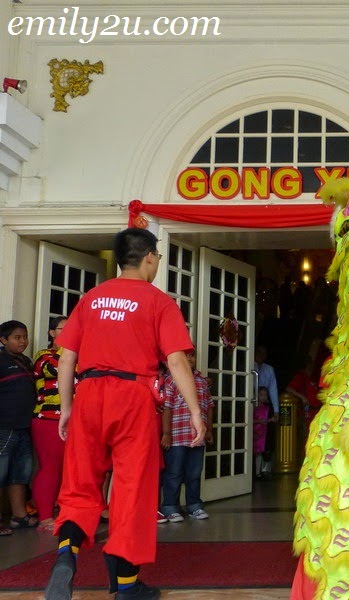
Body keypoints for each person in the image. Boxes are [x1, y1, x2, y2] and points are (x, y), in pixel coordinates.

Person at [44, 227, 205, 600]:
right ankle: (127, 588)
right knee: (132, 492)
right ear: (149, 256)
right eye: (159, 257)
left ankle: (65, 556)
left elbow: (68, 358)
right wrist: (195, 410)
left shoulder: (91, 298)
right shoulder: (158, 302)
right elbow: (176, 360)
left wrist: (68, 407)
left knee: (79, 485)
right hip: (133, 396)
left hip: (89, 392)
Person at [159, 348, 214, 523]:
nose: (189, 359)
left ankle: (194, 505)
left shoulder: (202, 381)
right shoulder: (170, 380)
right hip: (176, 436)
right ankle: (169, 506)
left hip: (197, 437)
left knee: (194, 473)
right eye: (185, 355)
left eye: (192, 355)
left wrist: (209, 430)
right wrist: (166, 433)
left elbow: (209, 406)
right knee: (173, 473)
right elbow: (167, 408)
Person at [0, 320, 38, 536]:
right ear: (3, 340)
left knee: (20, 473)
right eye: (17, 337)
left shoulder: (26, 361)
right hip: (4, 425)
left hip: (24, 426)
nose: (23, 341)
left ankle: (19, 515)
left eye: (24, 337)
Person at [31, 316, 69, 532]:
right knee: (50, 468)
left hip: (74, 421)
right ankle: (45, 516)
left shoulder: (79, 357)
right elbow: (55, 369)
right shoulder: (45, 356)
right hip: (48, 419)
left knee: (69, 470)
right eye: (65, 329)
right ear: (52, 333)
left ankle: (65, 512)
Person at [253, 346, 278, 477]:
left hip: (265, 407)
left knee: (266, 438)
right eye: (259, 352)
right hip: (252, 404)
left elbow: (273, 389)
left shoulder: (269, 369)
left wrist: (276, 410)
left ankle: (264, 469)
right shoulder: (249, 366)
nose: (261, 355)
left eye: (264, 353)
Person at [253, 386, 277, 479]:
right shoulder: (254, 407)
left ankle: (261, 472)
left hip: (264, 433)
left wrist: (271, 420)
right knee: (256, 453)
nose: (263, 397)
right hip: (256, 432)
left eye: (265, 395)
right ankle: (255, 472)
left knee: (262, 452)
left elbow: (270, 419)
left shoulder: (267, 408)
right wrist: (260, 421)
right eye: (261, 395)